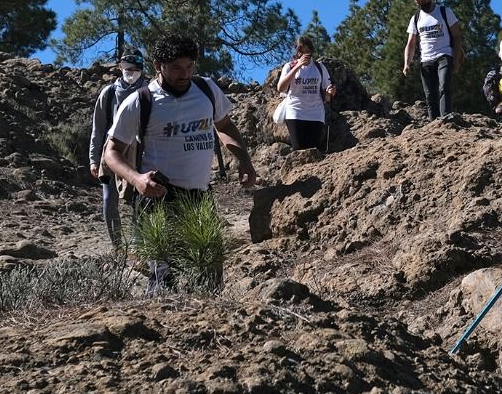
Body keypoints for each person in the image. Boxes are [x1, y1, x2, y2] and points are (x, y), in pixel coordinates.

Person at [102, 33, 260, 211]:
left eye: (189, 66)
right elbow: (112, 152)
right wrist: (136, 179)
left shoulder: (206, 89)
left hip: (202, 198)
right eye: (176, 67)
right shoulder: (140, 101)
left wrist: (245, 161)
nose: (185, 74)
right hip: (158, 199)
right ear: (158, 66)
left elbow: (224, 126)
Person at [87, 49, 148, 248]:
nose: (132, 72)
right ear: (120, 67)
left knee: (139, 202)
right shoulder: (109, 92)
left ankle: (139, 247)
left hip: (140, 153)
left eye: (136, 69)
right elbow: (98, 127)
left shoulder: (149, 92)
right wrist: (94, 159)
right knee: (109, 199)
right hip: (111, 152)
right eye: (128, 68)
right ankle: (118, 247)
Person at [403, 0, 464, 120]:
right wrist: (407, 63)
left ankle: (446, 118)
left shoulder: (444, 12)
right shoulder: (416, 18)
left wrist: (456, 59)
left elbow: (457, 36)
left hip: (444, 54)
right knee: (430, 94)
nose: (421, 4)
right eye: (418, 2)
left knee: (444, 86)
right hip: (426, 59)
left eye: (423, 0)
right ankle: (433, 122)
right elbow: (411, 43)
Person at [275, 36, 336, 152]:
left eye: (307, 51)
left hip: (316, 113)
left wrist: (330, 91)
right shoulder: (289, 66)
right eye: (301, 51)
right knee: (298, 149)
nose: (304, 54)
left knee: (314, 149)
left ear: (311, 51)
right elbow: (281, 88)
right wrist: (298, 66)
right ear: (297, 52)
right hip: (295, 111)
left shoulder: (319, 67)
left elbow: (328, 93)